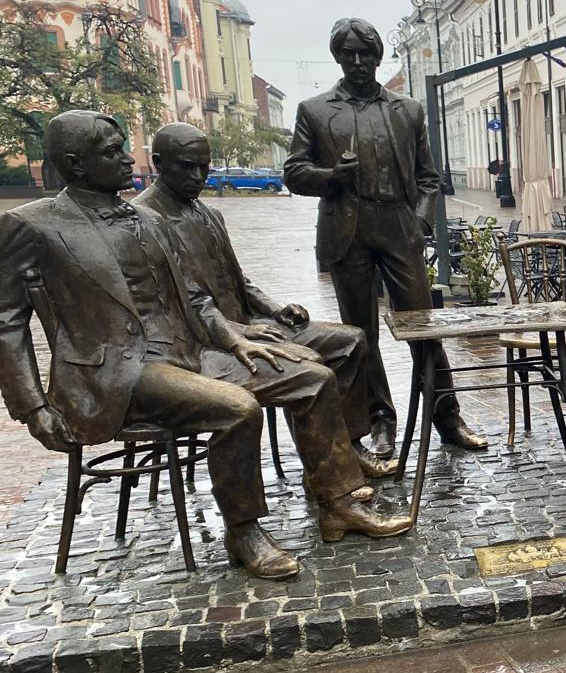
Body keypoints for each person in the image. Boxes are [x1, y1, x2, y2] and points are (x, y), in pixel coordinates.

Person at [0, 112, 335, 579]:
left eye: (123, 147)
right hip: (117, 374)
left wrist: (235, 339)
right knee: (237, 408)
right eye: (112, 151)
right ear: (75, 164)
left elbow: (194, 298)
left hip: (187, 354)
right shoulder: (31, 225)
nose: (127, 158)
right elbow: (7, 322)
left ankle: (339, 504)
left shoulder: (148, 217)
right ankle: (244, 532)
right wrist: (33, 408)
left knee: (313, 376)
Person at [138, 123, 398, 488]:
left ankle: (346, 449)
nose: (198, 176)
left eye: (204, 166)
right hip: (203, 343)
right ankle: (327, 470)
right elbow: (184, 305)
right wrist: (241, 333)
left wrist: (275, 309)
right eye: (187, 166)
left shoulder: (208, 213)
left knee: (350, 340)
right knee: (306, 365)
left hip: (250, 324)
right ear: (159, 162)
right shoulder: (144, 220)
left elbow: (238, 280)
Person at [285, 18, 487, 458]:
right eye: (349, 54)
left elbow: (429, 178)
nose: (358, 61)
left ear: (378, 57)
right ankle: (379, 420)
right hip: (347, 228)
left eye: (366, 53)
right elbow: (294, 172)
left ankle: (448, 417)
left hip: (398, 223)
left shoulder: (408, 110)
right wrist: (330, 176)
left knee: (423, 326)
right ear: (338, 57)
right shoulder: (314, 110)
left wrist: (420, 225)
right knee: (360, 335)